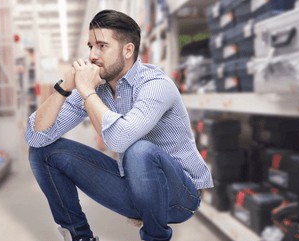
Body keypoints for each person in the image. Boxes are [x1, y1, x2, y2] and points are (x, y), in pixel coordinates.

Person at [24, 9, 213, 241]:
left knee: (139, 150)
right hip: (134, 188)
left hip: (179, 197)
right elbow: (35, 136)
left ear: (128, 50)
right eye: (90, 46)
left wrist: (86, 91)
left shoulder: (155, 84)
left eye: (102, 46)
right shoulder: (99, 86)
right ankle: (80, 237)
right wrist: (64, 87)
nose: (92, 55)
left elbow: (121, 139)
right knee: (43, 152)